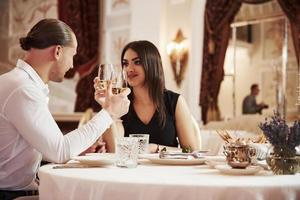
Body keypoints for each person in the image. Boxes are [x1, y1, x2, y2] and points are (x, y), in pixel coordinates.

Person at [0, 18, 130, 199]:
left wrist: (79, 147)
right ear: (58, 51)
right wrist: (109, 112)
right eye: (73, 55)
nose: (71, 64)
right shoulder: (23, 89)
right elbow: (60, 151)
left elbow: (45, 148)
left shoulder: (20, 83)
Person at [98, 40, 200, 153]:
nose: (129, 69)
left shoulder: (175, 102)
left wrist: (156, 148)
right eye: (125, 64)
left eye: (137, 62)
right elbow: (114, 151)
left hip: (169, 170)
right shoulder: (120, 102)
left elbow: (191, 151)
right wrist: (107, 108)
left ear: (152, 64)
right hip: (131, 170)